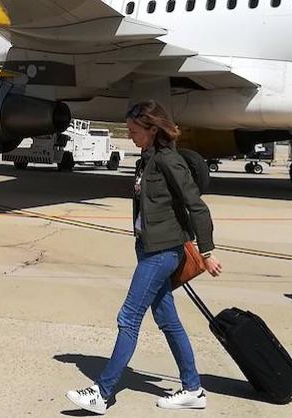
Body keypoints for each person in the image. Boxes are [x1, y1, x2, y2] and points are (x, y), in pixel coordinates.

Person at [67, 101, 221, 413]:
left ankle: (104, 393)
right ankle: (193, 389)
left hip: (162, 253)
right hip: (148, 248)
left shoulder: (168, 161)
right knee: (168, 321)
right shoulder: (147, 159)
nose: (131, 135)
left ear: (153, 130)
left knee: (128, 317)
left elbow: (197, 205)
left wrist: (206, 251)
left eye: (136, 131)